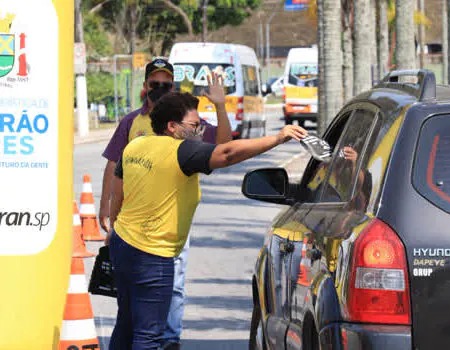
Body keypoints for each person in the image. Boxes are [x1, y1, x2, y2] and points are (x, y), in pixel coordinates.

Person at [106, 85, 307, 349]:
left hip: (123, 243)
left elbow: (117, 195)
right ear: (172, 126)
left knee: (126, 324)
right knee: (148, 335)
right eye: (194, 125)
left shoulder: (136, 146)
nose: (199, 130)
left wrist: (113, 231)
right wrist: (278, 138)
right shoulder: (181, 151)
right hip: (153, 254)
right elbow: (227, 153)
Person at [100, 58, 232, 347]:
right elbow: (115, 168)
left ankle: (170, 340)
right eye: (154, 84)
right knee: (138, 320)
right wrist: (109, 215)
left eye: (166, 84)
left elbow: (223, 146)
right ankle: (158, 338)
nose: (159, 88)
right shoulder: (132, 122)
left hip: (169, 223)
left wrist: (220, 106)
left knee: (171, 290)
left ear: (173, 86)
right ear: (145, 86)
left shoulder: (187, 124)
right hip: (134, 232)